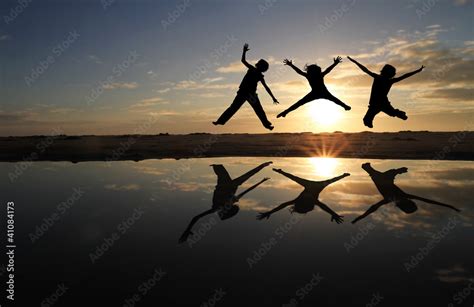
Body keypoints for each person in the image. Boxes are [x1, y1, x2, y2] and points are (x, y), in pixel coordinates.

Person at [179, 162, 272, 243]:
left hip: (225, 185)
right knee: (224, 169)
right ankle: (263, 165)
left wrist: (187, 230)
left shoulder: (217, 208)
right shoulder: (228, 204)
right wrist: (261, 181)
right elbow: (248, 190)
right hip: (230, 185)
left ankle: (263, 165)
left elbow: (196, 217)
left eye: (233, 206)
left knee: (220, 168)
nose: (234, 204)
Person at [352, 163, 460, 224]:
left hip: (382, 178)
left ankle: (396, 171)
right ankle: (397, 171)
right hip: (385, 179)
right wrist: (450, 206)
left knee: (368, 168)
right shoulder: (394, 199)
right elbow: (429, 201)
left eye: (410, 204)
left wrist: (360, 218)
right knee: (372, 170)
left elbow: (373, 208)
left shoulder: (392, 199)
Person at [213, 44, 279, 130]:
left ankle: (267, 125)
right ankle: (220, 121)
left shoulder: (260, 76)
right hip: (243, 92)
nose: (259, 65)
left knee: (258, 110)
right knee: (234, 108)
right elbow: (243, 60)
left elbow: (267, 87)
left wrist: (273, 98)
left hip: (250, 94)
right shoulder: (252, 69)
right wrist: (244, 51)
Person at [347, 56, 424, 128]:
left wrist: (354, 62)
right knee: (392, 113)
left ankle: (398, 114)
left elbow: (365, 70)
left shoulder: (378, 77)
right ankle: (399, 114)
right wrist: (418, 71)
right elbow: (405, 76)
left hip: (375, 104)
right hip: (384, 103)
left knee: (367, 121)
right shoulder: (390, 81)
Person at [257, 168, 348, 223]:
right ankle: (343, 175)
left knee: (294, 178)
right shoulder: (311, 202)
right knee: (331, 181)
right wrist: (333, 214)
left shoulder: (300, 201)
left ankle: (281, 171)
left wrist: (270, 212)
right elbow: (324, 207)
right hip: (317, 186)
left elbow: (283, 205)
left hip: (309, 185)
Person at [276, 57, 351, 118]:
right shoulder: (312, 75)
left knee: (335, 100)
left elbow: (328, 70)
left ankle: (345, 106)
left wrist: (335, 63)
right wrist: (291, 65)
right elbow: (299, 71)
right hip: (316, 93)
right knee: (299, 103)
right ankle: (285, 112)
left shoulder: (315, 75)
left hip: (322, 92)